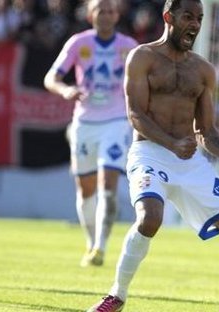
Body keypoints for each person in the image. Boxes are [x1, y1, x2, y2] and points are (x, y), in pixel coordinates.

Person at [87, 0, 219, 311]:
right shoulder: (142, 57)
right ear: (168, 17)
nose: (195, 25)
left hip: (188, 163)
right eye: (188, 16)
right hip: (149, 154)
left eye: (199, 18)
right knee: (150, 218)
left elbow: (205, 132)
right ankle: (116, 296)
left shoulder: (203, 70)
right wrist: (171, 143)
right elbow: (135, 115)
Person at [43, 0, 138, 267]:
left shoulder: (128, 47)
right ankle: (90, 241)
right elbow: (51, 77)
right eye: (100, 10)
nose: (105, 15)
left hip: (116, 122)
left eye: (110, 11)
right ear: (89, 15)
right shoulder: (78, 43)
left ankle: (101, 247)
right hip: (84, 123)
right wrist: (66, 90)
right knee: (85, 192)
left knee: (108, 186)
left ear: (117, 15)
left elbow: (144, 80)